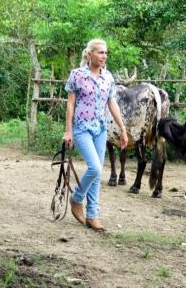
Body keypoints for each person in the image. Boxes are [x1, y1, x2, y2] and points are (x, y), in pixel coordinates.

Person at [62, 39, 128, 232]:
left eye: (106, 53)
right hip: (82, 128)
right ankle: (76, 198)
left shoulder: (108, 77)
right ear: (89, 54)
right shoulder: (77, 75)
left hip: (100, 129)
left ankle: (92, 215)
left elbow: (112, 103)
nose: (104, 56)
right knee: (95, 169)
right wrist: (68, 130)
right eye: (100, 52)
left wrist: (122, 128)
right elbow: (70, 104)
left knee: (97, 175)